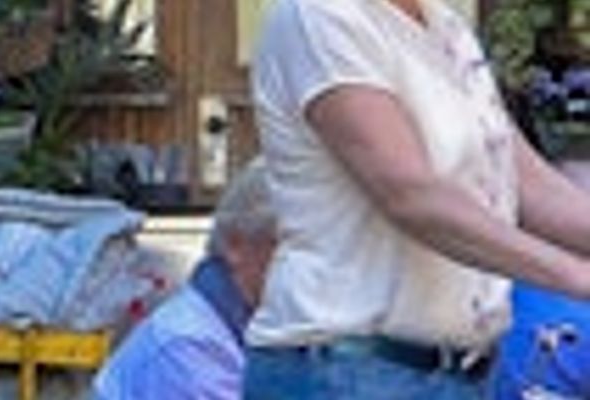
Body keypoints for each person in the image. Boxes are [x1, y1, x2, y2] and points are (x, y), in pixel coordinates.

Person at [242, 0, 590, 397]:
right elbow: (410, 195)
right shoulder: (321, 16)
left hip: (458, 372)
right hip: (349, 369)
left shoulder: (447, 25)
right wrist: (577, 277)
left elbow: (523, 181)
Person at [88, 165, 276, 400]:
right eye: (293, 246)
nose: (312, 267)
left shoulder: (254, 326)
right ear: (235, 245)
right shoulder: (188, 348)